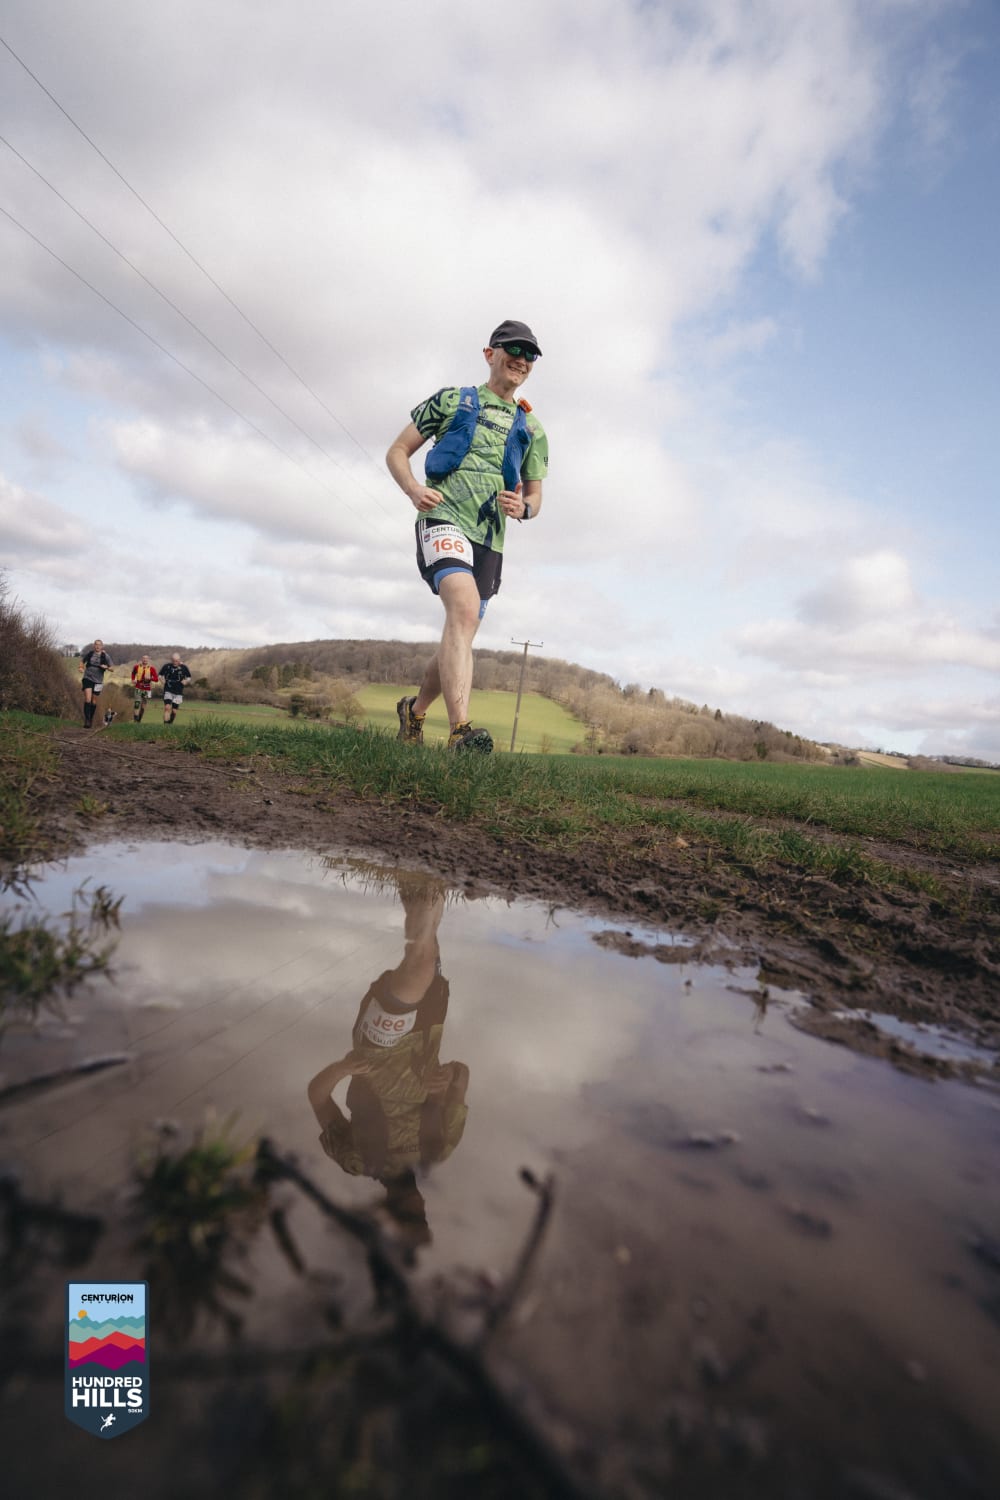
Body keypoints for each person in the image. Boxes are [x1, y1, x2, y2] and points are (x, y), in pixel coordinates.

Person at [386, 319, 548, 752]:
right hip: (442, 517)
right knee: (462, 608)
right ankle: (461, 732)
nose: (522, 359)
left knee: (462, 630)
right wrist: (413, 489)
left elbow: (535, 497)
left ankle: (415, 711)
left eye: (530, 354)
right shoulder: (452, 400)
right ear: (490, 353)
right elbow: (397, 450)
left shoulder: (533, 429)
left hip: (490, 540)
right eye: (514, 349)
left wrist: (524, 508)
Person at [307, 874, 469, 1253]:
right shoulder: (440, 1148)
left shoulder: (355, 1160)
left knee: (421, 962)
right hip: (428, 1030)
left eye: (407, 1216)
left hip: (378, 1045)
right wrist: (450, 1076)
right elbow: (462, 1078)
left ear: (387, 1213)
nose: (415, 1206)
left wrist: (342, 1070)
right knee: (428, 946)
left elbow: (317, 1097)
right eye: (421, 1215)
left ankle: (420, 876)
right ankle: (415, 872)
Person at [78, 639, 114, 728]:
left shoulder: (105, 656)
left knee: (94, 701)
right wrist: (81, 667)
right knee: (88, 699)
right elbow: (82, 661)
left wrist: (106, 667)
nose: (97, 646)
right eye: (96, 644)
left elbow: (112, 668)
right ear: (94, 646)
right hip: (87, 678)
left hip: (98, 681)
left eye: (99, 645)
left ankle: (90, 718)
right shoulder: (90, 654)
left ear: (102, 646)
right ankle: (87, 721)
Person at [159, 653, 192, 723]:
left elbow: (189, 677)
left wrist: (186, 681)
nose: (175, 662)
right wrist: (162, 680)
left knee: (174, 711)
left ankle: (170, 724)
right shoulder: (166, 666)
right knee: (167, 707)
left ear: (179, 660)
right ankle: (165, 725)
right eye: (173, 660)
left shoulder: (184, 667)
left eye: (176, 661)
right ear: (171, 660)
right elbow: (160, 675)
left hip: (178, 692)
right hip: (168, 689)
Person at [130, 655, 159, 722]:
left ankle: (139, 720)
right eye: (144, 658)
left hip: (147, 688)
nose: (145, 660)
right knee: (137, 703)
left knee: (143, 705)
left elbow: (156, 679)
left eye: (146, 659)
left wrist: (150, 678)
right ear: (141, 659)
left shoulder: (152, 669)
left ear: (148, 660)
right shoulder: (136, 667)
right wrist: (133, 679)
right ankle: (135, 720)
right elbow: (133, 673)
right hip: (138, 687)